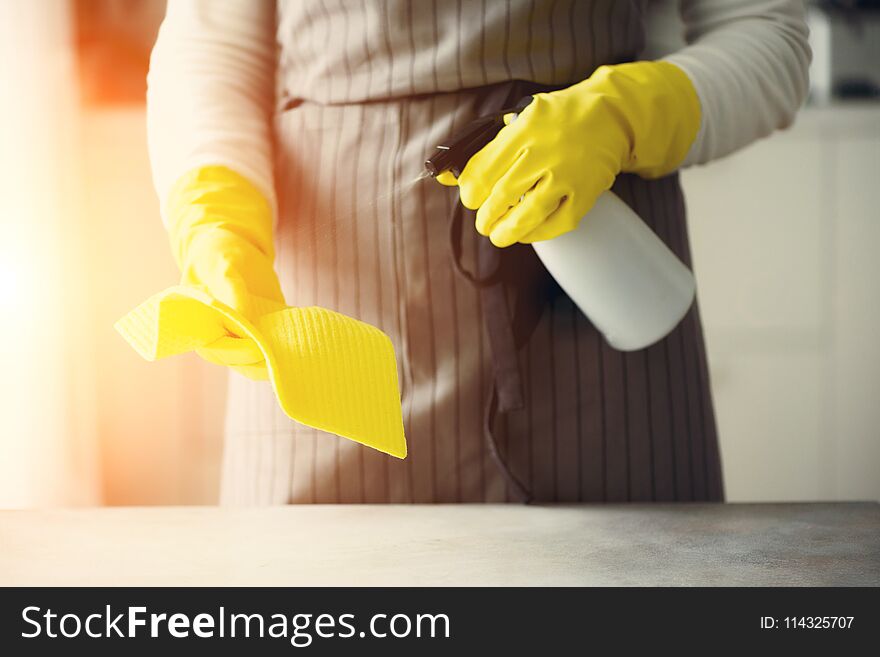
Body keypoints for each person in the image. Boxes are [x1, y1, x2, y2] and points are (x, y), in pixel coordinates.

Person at [147, 0, 810, 504]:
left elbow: (766, 34)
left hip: (596, 279)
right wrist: (214, 219)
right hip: (333, 310)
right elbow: (212, 46)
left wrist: (624, 113)